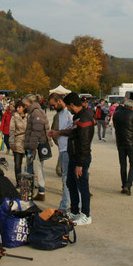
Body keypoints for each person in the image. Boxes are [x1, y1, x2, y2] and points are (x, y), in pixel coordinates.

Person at [61, 92, 94, 225]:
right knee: (71, 183)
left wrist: (80, 164)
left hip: (81, 158)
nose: (67, 109)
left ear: (72, 105)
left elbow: (85, 143)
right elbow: (74, 133)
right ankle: (75, 211)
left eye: (68, 107)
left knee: (83, 186)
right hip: (73, 156)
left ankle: (86, 215)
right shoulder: (78, 117)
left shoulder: (85, 119)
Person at [47, 93, 73, 212]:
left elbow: (72, 130)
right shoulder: (60, 114)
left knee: (66, 178)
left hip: (68, 148)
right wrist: (55, 132)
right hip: (62, 148)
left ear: (59, 101)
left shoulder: (68, 113)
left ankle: (65, 205)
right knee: (66, 177)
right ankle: (70, 203)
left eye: (53, 105)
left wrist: (59, 133)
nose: (52, 107)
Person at [23, 94, 50, 201]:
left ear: (30, 103)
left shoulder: (35, 113)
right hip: (36, 145)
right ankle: (36, 191)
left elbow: (37, 131)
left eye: (25, 105)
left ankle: (38, 191)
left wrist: (33, 146)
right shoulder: (36, 112)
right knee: (35, 169)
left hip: (36, 146)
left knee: (35, 169)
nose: (24, 107)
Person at [113, 99, 133, 195]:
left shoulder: (116, 114)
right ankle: (128, 184)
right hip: (131, 142)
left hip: (120, 142)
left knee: (123, 165)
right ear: (132, 106)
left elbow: (115, 126)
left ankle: (124, 184)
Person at [9, 101, 28, 184]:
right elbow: (12, 130)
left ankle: (30, 181)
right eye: (17, 107)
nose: (18, 109)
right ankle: (18, 181)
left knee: (30, 163)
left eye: (19, 107)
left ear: (24, 107)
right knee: (17, 164)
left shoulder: (29, 116)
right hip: (18, 140)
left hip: (28, 140)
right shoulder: (14, 117)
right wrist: (12, 142)